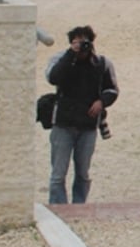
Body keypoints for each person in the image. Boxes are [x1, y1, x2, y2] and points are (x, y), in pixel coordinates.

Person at [45, 25, 119, 205]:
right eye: (77, 42)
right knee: (58, 173)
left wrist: (101, 101)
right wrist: (71, 54)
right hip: (63, 123)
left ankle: (80, 205)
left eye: (85, 42)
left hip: (88, 125)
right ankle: (59, 207)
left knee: (83, 173)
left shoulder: (101, 63)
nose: (82, 46)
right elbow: (53, 78)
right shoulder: (61, 59)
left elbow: (112, 89)